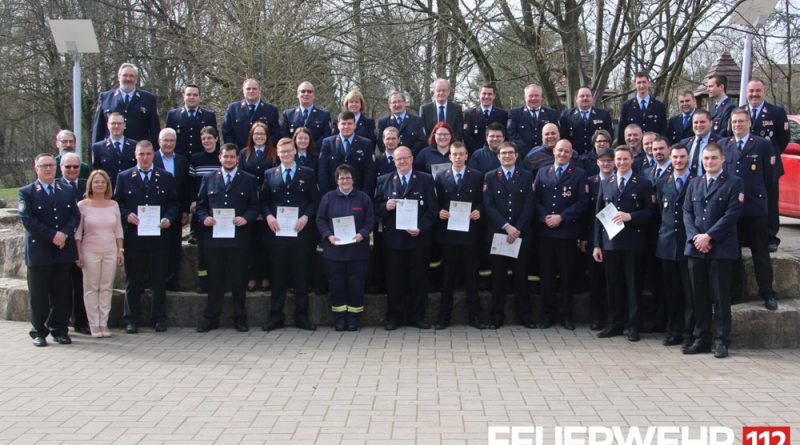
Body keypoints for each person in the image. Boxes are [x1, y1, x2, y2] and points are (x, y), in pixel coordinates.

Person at [682, 143, 744, 359]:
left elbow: (731, 215)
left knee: (720, 298)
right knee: (699, 297)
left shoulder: (734, 183)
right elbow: (687, 212)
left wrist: (709, 236)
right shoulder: (695, 183)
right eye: (706, 159)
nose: (709, 162)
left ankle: (722, 341)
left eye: (713, 158)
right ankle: (702, 338)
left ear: (722, 159)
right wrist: (695, 237)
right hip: (696, 249)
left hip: (720, 249)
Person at [114, 140, 179, 334]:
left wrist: (169, 217)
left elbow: (174, 203)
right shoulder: (124, 177)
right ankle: (131, 319)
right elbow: (118, 203)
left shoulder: (166, 177)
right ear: (135, 155)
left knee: (159, 280)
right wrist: (127, 215)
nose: (145, 158)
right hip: (134, 238)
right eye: (141, 154)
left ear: (153, 155)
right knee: (133, 281)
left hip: (159, 238)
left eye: (148, 154)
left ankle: (159, 318)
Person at [195, 143, 260, 333]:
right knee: (215, 280)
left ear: (237, 159)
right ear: (220, 158)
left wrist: (245, 218)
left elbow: (254, 207)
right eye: (226, 157)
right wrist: (204, 217)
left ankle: (240, 318)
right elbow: (200, 206)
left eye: (232, 157)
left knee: (239, 280)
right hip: (214, 239)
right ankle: (211, 317)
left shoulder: (248, 180)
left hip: (238, 238)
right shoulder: (208, 179)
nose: (229, 160)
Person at [592, 146, 654, 342]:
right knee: (614, 285)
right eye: (618, 159)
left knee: (633, 286)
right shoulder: (607, 182)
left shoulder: (642, 183)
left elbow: (651, 213)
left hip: (633, 243)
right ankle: (615, 324)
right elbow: (598, 216)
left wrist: (631, 216)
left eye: (625, 159)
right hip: (610, 243)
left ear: (632, 159)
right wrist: (597, 244)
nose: (621, 163)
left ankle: (634, 326)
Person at [18, 153, 80, 347]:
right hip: (40, 251)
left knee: (61, 292)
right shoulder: (27, 192)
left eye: (51, 165)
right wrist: (52, 235)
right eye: (43, 166)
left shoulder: (67, 189)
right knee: (39, 294)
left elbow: (75, 216)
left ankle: (59, 329)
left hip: (62, 249)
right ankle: (39, 331)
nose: (48, 169)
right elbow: (28, 220)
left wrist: (64, 234)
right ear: (36, 168)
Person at [374, 146, 439, 330]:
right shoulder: (384, 180)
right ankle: (394, 317)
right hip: (393, 240)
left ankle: (417, 316)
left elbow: (432, 209)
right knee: (394, 280)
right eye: (398, 159)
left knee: (418, 280)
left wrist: (421, 227)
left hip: (418, 239)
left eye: (405, 158)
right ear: (393, 161)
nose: (402, 162)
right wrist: (385, 206)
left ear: (412, 159)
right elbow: (375, 207)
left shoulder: (425, 180)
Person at [721, 108, 777, 311]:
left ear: (749, 123)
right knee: (732, 254)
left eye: (741, 121)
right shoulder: (723, 145)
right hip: (731, 211)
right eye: (734, 122)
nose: (737, 125)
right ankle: (735, 293)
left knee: (760, 253)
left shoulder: (762, 145)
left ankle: (767, 293)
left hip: (754, 209)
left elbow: (770, 179)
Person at [261, 138, 320, 331]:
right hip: (277, 234)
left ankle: (301, 317)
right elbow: (264, 202)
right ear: (277, 153)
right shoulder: (270, 174)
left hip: (301, 233)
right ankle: (276, 316)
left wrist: (305, 218)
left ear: (295, 151)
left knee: (300, 276)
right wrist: (269, 217)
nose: (286, 154)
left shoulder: (308, 173)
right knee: (277, 277)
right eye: (282, 151)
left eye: (289, 151)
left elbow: (314, 201)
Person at [532, 139, 589, 330]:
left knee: (567, 277)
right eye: (560, 150)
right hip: (546, 232)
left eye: (567, 151)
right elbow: (536, 199)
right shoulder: (542, 172)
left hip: (567, 232)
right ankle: (548, 315)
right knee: (546, 276)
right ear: (553, 152)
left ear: (571, 154)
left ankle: (566, 316)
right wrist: (545, 217)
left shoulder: (579, 174)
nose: (563, 154)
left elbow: (582, 202)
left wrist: (562, 217)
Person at [483, 141, 536, 329]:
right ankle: (496, 316)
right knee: (498, 279)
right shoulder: (489, 177)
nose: (507, 156)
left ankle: (525, 316)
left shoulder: (527, 176)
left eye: (510, 153)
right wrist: (506, 226)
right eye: (503, 153)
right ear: (498, 156)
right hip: (499, 235)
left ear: (516, 156)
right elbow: (488, 205)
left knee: (521, 278)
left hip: (520, 235)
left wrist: (517, 228)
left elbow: (530, 204)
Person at [316, 164, 375, 331]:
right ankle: (340, 319)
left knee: (356, 285)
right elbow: (320, 220)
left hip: (358, 252)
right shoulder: (328, 198)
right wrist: (328, 235)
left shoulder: (363, 198)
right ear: (337, 181)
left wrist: (362, 234)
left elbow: (370, 220)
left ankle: (354, 318)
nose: (345, 180)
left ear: (353, 180)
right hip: (334, 252)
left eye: (348, 177)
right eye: (341, 178)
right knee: (337, 285)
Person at [434, 142, 485, 329]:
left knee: (472, 277)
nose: (457, 157)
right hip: (448, 235)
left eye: (461, 154)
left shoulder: (477, 176)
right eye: (454, 154)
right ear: (449, 156)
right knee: (447, 278)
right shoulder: (440, 177)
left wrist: (479, 211)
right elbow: (435, 203)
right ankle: (443, 317)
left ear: (466, 156)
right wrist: (439, 212)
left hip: (470, 234)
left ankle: (475, 317)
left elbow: (482, 202)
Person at [655, 144, 695, 348]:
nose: (678, 160)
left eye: (682, 157)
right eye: (675, 157)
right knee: (671, 292)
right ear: (670, 159)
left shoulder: (696, 181)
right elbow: (660, 213)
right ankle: (674, 330)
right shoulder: (663, 182)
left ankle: (689, 332)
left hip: (688, 244)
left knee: (690, 293)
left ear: (688, 158)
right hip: (667, 244)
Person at [74, 170, 124, 338]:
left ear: (107, 185)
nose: (100, 185)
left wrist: (120, 250)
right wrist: (78, 253)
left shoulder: (113, 205)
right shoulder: (82, 205)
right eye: (96, 182)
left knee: (106, 288)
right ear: (90, 184)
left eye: (103, 182)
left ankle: (104, 323)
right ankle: (93, 324)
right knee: (91, 288)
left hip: (110, 250)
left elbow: (118, 230)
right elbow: (78, 232)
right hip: (90, 251)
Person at [745, 78, 789, 252]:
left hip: (769, 166)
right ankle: (747, 236)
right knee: (746, 201)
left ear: (764, 91)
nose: (754, 94)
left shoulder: (776, 112)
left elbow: (783, 140)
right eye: (751, 91)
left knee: (770, 202)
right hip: (747, 167)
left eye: (758, 91)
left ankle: (771, 237)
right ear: (747, 93)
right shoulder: (740, 111)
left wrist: (770, 155)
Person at [238, 122, 277, 293]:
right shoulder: (243, 154)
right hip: (250, 204)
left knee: (267, 244)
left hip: (269, 204)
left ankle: (267, 276)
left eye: (262, 134)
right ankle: (252, 276)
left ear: (267, 136)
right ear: (251, 136)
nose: (259, 137)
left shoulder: (274, 153)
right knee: (251, 244)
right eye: (256, 134)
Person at [154, 128, 191, 291]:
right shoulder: (151, 158)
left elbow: (185, 188)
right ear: (159, 141)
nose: (168, 144)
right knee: (156, 249)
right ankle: (155, 281)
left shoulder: (182, 161)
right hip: (155, 212)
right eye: (165, 140)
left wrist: (185, 210)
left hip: (176, 211)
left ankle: (171, 280)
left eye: (172, 141)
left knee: (174, 248)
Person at [582, 147, 614, 330]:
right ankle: (597, 317)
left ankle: (613, 317)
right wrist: (584, 238)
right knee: (595, 280)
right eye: (603, 160)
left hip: (614, 237)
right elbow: (586, 212)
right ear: (597, 162)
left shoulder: (619, 181)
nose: (606, 163)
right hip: (593, 237)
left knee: (613, 279)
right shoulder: (590, 182)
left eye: (610, 160)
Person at [58, 153, 89, 335]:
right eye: (67, 167)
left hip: (85, 241)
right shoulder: (55, 186)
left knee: (80, 284)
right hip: (62, 241)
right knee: (61, 285)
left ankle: (81, 321)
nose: (72, 170)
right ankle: (61, 321)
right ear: (61, 167)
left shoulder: (87, 185)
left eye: (75, 167)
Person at [91, 63, 160, 145]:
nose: (128, 78)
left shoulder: (148, 98)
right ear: (119, 77)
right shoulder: (105, 97)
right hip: (111, 151)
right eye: (125, 75)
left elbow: (155, 130)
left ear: (136, 79)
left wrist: (155, 155)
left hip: (139, 152)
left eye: (131, 76)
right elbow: (98, 129)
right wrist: (95, 153)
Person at [189, 126, 222, 292]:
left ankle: (220, 281)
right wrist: (193, 201)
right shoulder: (195, 159)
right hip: (202, 211)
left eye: (210, 138)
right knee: (203, 251)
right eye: (204, 139)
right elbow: (191, 183)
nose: (207, 141)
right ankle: (203, 281)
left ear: (216, 139)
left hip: (220, 212)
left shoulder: (223, 157)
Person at [318, 111, 376, 194]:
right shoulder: (328, 143)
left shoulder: (366, 144)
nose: (346, 126)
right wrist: (328, 195)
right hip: (333, 194)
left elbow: (369, 172)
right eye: (343, 124)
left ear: (355, 125)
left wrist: (364, 195)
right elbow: (323, 171)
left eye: (349, 123)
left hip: (358, 195)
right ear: (338, 125)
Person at [222, 78, 280, 149]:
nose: (251, 91)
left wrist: (264, 150)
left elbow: (275, 134)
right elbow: (227, 133)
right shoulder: (233, 109)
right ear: (243, 91)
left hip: (264, 155)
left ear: (259, 90)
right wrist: (236, 151)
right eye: (248, 89)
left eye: (254, 89)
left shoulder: (271, 110)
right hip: (239, 155)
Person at [507, 84, 560, 156]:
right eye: (530, 96)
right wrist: (527, 150)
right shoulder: (515, 113)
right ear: (525, 97)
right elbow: (512, 134)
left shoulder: (551, 113)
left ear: (541, 97)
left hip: (546, 155)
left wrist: (541, 149)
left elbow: (557, 133)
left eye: (536, 95)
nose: (533, 98)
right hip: (522, 155)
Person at [165, 84, 218, 157]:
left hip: (201, 160)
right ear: (183, 96)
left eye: (195, 95)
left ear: (200, 97)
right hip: (179, 160)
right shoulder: (173, 115)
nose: (192, 97)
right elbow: (167, 139)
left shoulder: (209, 115)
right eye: (189, 94)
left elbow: (215, 140)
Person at [616, 72, 668, 144]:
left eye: (644, 82)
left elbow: (663, 131)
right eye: (639, 83)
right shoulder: (626, 106)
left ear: (649, 83)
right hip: (634, 148)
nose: (641, 85)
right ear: (634, 84)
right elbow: (621, 132)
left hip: (653, 148)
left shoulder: (659, 106)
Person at [559, 87, 613, 155]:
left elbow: (610, 137)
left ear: (592, 98)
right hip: (574, 157)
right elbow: (562, 138)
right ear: (576, 99)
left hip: (597, 157)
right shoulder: (566, 115)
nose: (585, 98)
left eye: (588, 96)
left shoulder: (604, 115)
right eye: (582, 96)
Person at [91, 112, 137, 189]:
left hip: (130, 191)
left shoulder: (135, 146)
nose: (116, 126)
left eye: (119, 123)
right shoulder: (97, 148)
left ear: (124, 125)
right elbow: (95, 173)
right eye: (113, 123)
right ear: (108, 125)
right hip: (107, 192)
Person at [463, 83, 508, 153]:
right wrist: (479, 153)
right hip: (475, 154)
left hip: (497, 154)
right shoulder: (469, 114)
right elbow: (467, 137)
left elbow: (505, 136)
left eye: (489, 94)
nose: (486, 96)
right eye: (484, 93)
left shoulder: (503, 114)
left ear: (494, 96)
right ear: (479, 94)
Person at [681, 109, 720, 177]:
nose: (698, 125)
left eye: (702, 122)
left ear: (711, 123)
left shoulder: (720, 142)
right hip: (689, 185)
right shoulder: (685, 143)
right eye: (695, 122)